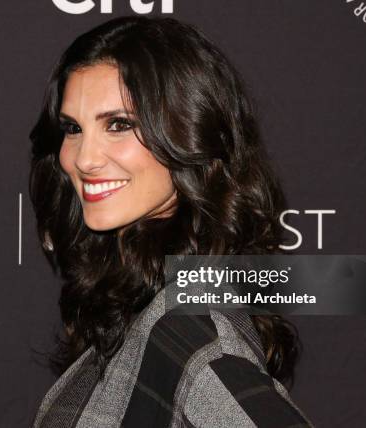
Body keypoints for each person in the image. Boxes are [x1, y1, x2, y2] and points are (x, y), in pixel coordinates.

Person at [28, 16, 313, 427]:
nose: (83, 158)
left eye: (119, 124)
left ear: (189, 133)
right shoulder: (144, 306)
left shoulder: (186, 327)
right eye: (73, 128)